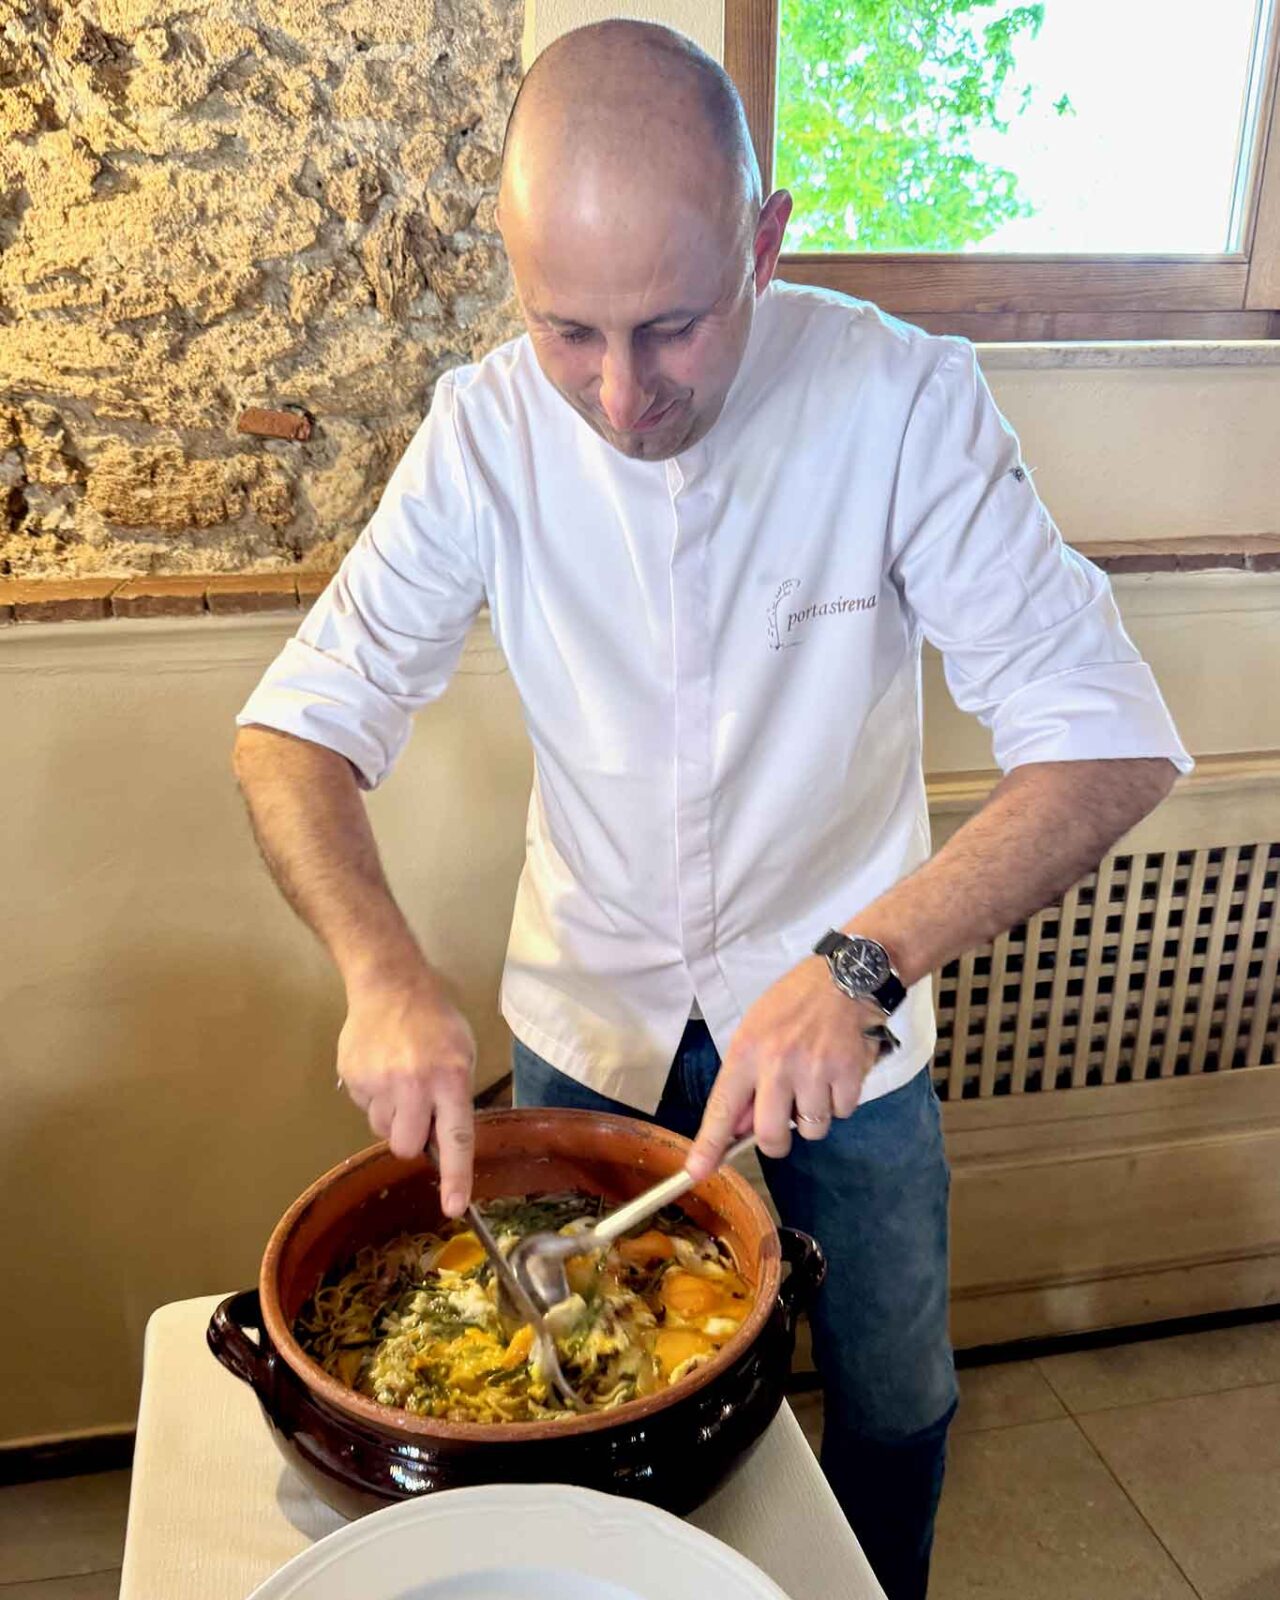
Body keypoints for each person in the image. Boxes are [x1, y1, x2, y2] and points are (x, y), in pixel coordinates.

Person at [232, 20, 1190, 1598]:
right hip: (587, 1023)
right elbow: (294, 732)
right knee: (571, 1409)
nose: (621, 396)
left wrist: (865, 962)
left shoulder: (903, 401)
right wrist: (383, 970)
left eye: (672, 327)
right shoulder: (484, 431)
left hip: (846, 1031)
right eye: (568, 332)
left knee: (897, 1396)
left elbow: (1110, 741)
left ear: (764, 241)